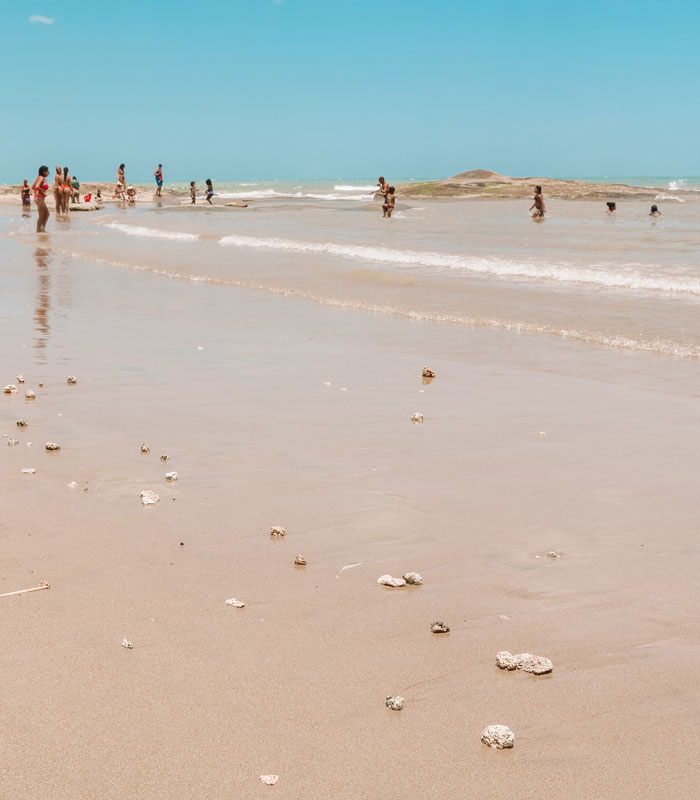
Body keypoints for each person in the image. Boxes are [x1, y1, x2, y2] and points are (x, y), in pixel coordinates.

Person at [32, 166, 50, 232]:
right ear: (43, 172)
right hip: (39, 198)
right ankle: (39, 230)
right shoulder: (41, 178)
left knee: (46, 214)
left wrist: (36, 194)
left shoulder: (40, 178)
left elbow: (33, 186)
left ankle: (42, 229)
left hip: (39, 198)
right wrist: (42, 193)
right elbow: (36, 186)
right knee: (42, 215)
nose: (48, 172)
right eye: (47, 171)